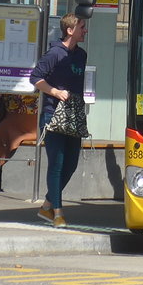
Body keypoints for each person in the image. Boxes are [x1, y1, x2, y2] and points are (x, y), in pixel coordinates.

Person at [31, 12, 88, 228]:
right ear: (70, 30)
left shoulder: (81, 55)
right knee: (57, 163)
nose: (85, 31)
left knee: (71, 164)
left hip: (73, 114)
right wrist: (55, 92)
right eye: (82, 27)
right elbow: (35, 78)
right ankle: (58, 213)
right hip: (52, 114)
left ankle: (46, 205)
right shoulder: (54, 53)